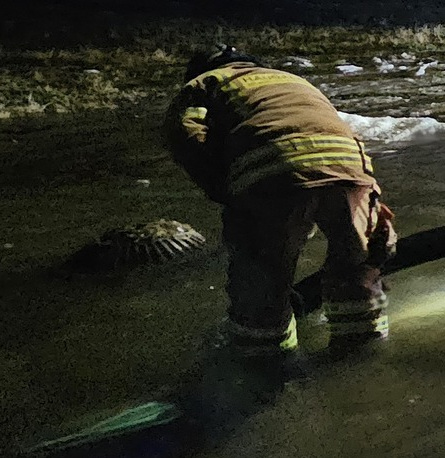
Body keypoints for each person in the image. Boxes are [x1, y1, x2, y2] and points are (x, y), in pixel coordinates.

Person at [164, 46, 396, 358]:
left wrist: (226, 188)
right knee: (356, 266)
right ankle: (362, 360)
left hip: (271, 175)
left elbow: (184, 132)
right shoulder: (291, 79)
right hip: (350, 170)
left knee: (262, 280)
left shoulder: (204, 83)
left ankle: (267, 368)